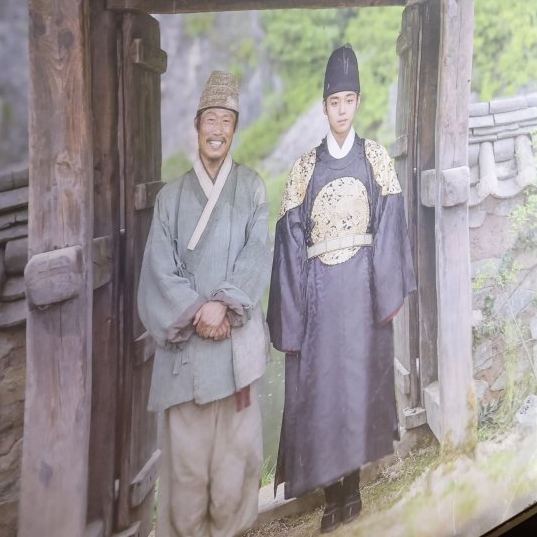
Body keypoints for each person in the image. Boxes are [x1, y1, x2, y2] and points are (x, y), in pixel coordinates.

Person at [269, 45, 416, 533]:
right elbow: (290, 241)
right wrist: (296, 311)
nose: (342, 110)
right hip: (319, 299)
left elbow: (390, 225)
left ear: (358, 103)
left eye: (349, 100)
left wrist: (383, 290)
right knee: (323, 393)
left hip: (362, 293)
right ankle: (332, 496)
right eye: (335, 102)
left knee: (357, 386)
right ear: (324, 106)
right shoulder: (304, 169)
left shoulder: (375, 159)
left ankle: (353, 489)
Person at [137, 71, 272, 537]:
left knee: (235, 469)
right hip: (188, 360)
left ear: (235, 129)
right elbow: (158, 270)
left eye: (226, 121)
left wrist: (225, 303)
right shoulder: (170, 198)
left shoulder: (252, 188)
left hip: (236, 354)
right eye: (210, 119)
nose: (217, 130)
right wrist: (200, 310)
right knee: (187, 476)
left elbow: (257, 254)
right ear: (197, 126)